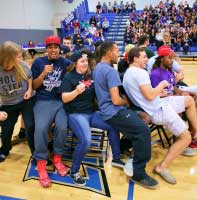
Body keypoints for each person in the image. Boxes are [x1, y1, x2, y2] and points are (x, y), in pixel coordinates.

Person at [123, 47, 195, 184]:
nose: (147, 60)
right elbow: (150, 95)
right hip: (158, 109)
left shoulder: (128, 73)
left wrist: (158, 92)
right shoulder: (140, 73)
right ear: (135, 59)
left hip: (157, 104)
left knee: (189, 100)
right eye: (144, 57)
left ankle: (196, 133)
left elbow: (146, 94)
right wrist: (162, 85)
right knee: (186, 137)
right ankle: (161, 167)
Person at [93, 41, 158, 189]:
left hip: (106, 110)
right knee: (143, 131)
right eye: (116, 51)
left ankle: (125, 149)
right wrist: (125, 102)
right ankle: (139, 174)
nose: (119, 54)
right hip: (113, 112)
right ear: (108, 53)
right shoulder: (110, 71)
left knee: (140, 122)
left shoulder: (98, 67)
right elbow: (116, 100)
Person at [59, 50, 123, 186]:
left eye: (86, 61)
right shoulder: (69, 77)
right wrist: (76, 91)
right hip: (76, 115)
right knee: (86, 140)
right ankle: (74, 171)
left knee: (113, 125)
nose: (85, 63)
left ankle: (117, 158)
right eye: (82, 61)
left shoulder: (90, 75)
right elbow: (64, 98)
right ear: (75, 63)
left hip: (92, 113)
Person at [31, 35, 71, 188]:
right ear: (46, 49)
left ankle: (57, 158)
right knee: (40, 129)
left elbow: (76, 66)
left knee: (62, 127)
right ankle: (41, 163)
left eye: (56, 47)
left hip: (60, 100)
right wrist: (43, 74)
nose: (53, 49)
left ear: (59, 49)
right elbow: (34, 86)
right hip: (43, 100)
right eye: (50, 47)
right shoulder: (38, 62)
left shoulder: (64, 62)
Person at [0, 41, 35, 162]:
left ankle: (36, 154)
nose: (22, 59)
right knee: (6, 130)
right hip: (8, 104)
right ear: (9, 58)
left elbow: (29, 77)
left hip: (25, 100)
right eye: (19, 57)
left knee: (31, 126)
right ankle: (4, 150)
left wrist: (29, 90)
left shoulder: (22, 65)